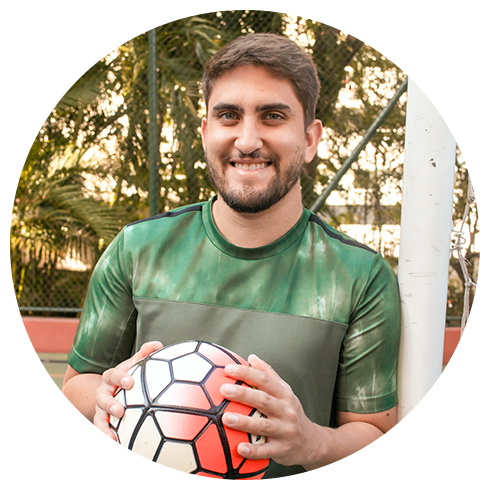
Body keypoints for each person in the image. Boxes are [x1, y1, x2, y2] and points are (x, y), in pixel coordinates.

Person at [62, 33, 401, 490]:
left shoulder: (360, 277)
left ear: (310, 137)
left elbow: (376, 444)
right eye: (228, 116)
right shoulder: (137, 249)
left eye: (273, 116)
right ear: (206, 131)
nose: (247, 139)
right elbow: (77, 383)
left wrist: (310, 441)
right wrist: (103, 396)